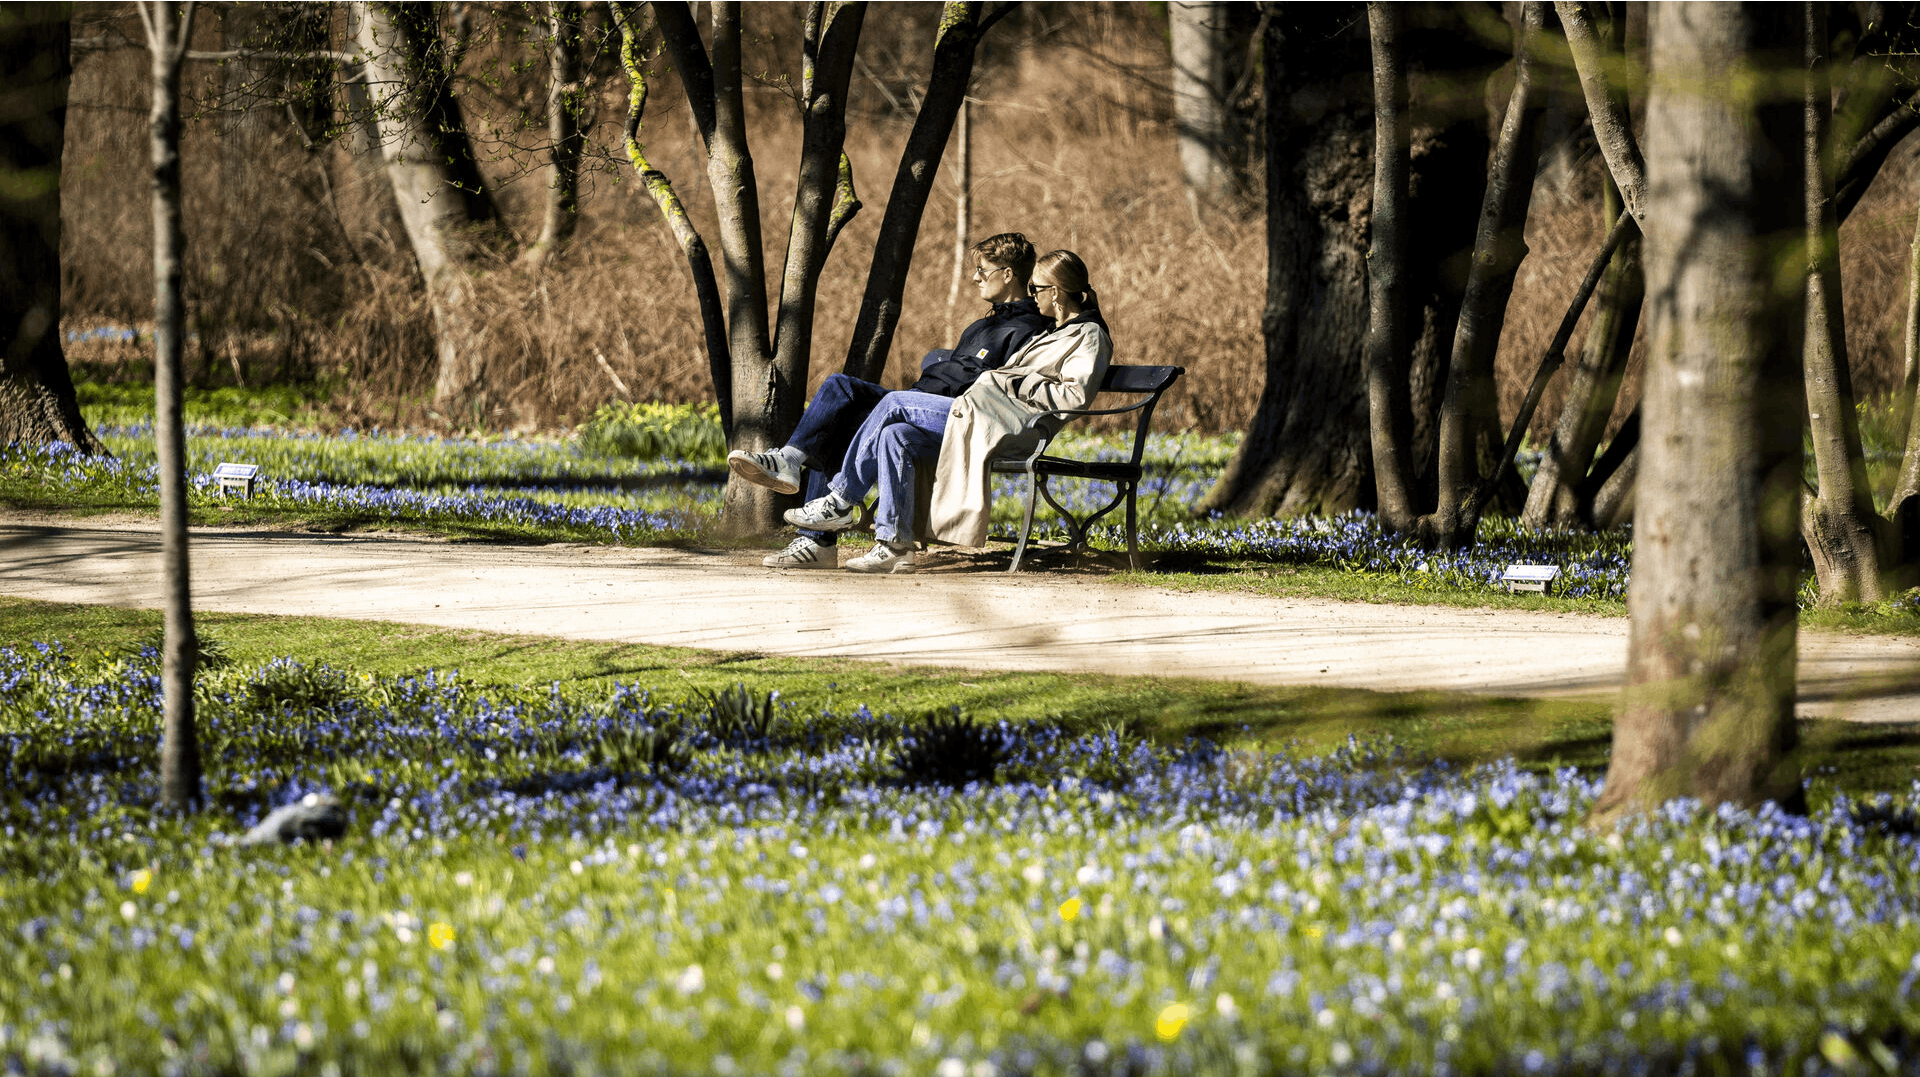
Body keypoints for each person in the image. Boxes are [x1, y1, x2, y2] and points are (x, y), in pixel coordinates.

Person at [727, 233, 1054, 568]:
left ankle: (832, 513)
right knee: (840, 392)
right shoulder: (982, 325)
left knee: (871, 417)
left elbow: (999, 389)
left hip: (957, 417)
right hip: (917, 402)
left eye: (982, 271)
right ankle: (791, 464)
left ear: (1009, 274)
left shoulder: (1032, 328)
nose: (974, 277)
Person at [782, 250, 1111, 573]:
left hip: (1008, 427)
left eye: (1035, 289)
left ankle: (840, 500)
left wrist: (1014, 384)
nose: (1032, 295)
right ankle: (895, 545)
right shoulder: (1056, 332)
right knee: (896, 436)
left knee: (894, 403)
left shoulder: (1089, 335)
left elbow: (1074, 395)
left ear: (1054, 292)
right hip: (981, 414)